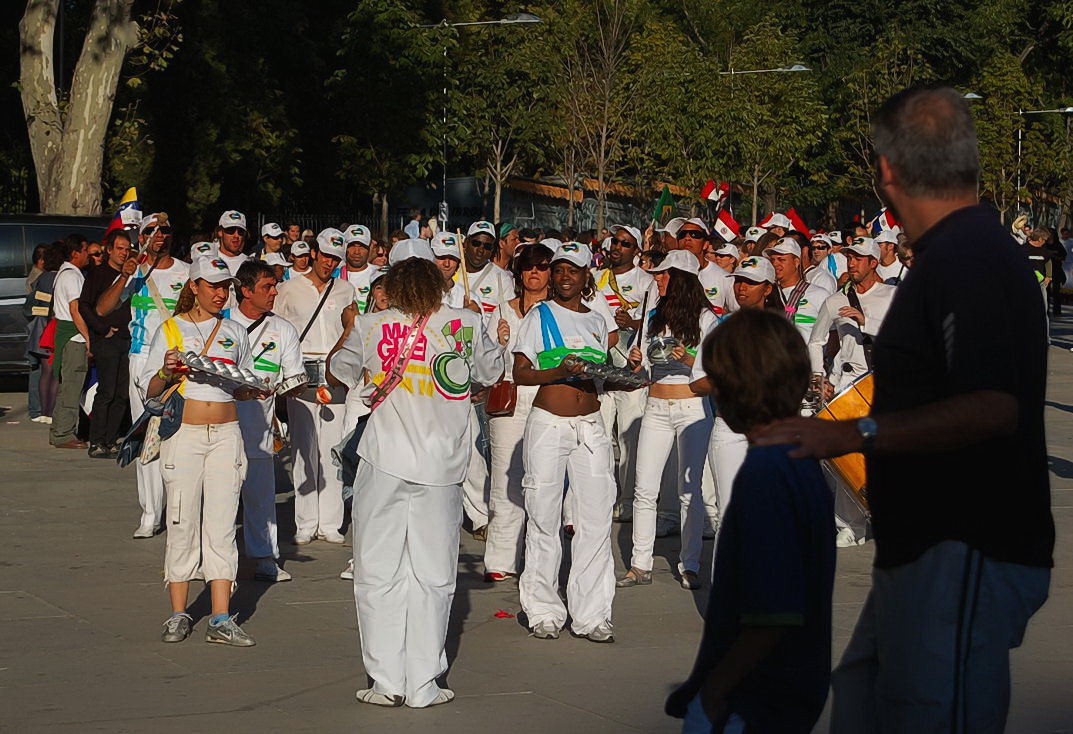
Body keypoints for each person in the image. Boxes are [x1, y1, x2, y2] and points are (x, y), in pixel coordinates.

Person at [756, 86, 1053, 733]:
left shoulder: (969, 258)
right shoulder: (956, 254)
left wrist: (851, 430)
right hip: (926, 551)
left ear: (886, 171)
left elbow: (992, 408)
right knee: (864, 706)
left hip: (963, 548)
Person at [328, 238, 505, 708]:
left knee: (377, 572)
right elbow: (492, 371)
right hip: (442, 465)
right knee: (434, 574)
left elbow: (337, 373)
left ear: (393, 285)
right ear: (437, 283)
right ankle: (424, 682)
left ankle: (385, 682)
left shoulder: (370, 325)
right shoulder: (467, 323)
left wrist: (353, 333)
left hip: (384, 460)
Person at [666, 308, 835, 734]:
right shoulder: (800, 459)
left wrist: (713, 693)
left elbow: (772, 613)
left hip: (756, 699)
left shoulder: (767, 475)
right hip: (793, 686)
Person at [145, 256, 265, 647]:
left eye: (225, 286)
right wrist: (165, 372)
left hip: (227, 433)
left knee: (222, 523)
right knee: (181, 520)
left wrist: (259, 389)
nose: (220, 293)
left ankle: (219, 618)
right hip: (185, 434)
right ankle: (178, 614)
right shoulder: (171, 330)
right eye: (212, 285)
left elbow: (242, 385)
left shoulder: (234, 330)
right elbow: (150, 391)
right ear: (193, 286)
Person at [512, 242, 617, 643]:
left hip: (591, 425)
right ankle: (543, 609)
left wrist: (628, 368)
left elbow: (608, 375)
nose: (565, 277)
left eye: (573, 270)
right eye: (559, 270)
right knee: (543, 515)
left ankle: (592, 615)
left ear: (586, 275)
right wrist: (556, 372)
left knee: (595, 517)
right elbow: (521, 373)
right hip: (549, 424)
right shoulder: (539, 315)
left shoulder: (596, 321)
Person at [618, 250, 718, 592]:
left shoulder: (706, 319)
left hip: (693, 409)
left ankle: (690, 564)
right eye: (657, 274)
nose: (657, 279)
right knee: (645, 488)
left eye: (663, 275)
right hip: (656, 407)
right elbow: (642, 367)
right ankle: (639, 563)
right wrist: (635, 360)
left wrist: (687, 356)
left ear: (681, 279)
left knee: (689, 491)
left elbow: (713, 369)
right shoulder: (653, 315)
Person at [97, 212, 190, 538]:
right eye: (151, 230)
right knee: (145, 435)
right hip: (141, 362)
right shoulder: (133, 273)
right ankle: (151, 513)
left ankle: (180, 508)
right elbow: (103, 309)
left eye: (163, 229)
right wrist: (124, 277)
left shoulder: (186, 273)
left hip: (177, 362)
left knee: (178, 436)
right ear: (141, 236)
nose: (158, 235)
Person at [689, 256, 779, 550]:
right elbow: (698, 382)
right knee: (730, 515)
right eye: (739, 281)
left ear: (767, 288)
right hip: (729, 430)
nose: (741, 288)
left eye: (750, 283)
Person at [274, 228, 357, 545]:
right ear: (313, 253)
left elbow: (353, 330)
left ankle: (331, 522)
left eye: (335, 258)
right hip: (301, 370)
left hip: (335, 373)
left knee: (332, 447)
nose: (329, 263)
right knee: (303, 447)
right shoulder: (288, 289)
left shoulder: (346, 289)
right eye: (325, 256)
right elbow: (277, 329)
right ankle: (305, 521)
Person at [232, 260, 305, 582]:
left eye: (274, 285)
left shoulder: (283, 329)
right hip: (219, 428)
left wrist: (300, 388)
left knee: (261, 500)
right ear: (246, 291)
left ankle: (264, 557)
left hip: (261, 429)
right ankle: (207, 559)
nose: (275, 292)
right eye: (266, 287)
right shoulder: (221, 324)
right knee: (216, 500)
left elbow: (292, 377)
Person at [483, 243, 552, 582]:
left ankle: (539, 558)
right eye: (528, 267)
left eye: (541, 267)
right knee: (505, 479)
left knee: (542, 480)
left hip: (547, 397)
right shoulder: (501, 310)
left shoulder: (556, 311)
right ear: (519, 272)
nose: (534, 273)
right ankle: (500, 558)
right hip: (510, 397)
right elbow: (485, 362)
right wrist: (497, 342)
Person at [596, 224, 654, 522]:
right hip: (600, 376)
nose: (617, 247)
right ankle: (601, 497)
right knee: (600, 440)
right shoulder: (596, 279)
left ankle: (628, 502)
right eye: (614, 241)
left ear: (636, 250)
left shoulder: (647, 282)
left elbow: (654, 323)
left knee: (630, 443)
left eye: (625, 243)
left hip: (632, 374)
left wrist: (631, 324)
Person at [79, 229, 134, 458]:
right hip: (106, 341)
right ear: (109, 250)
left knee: (122, 394)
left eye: (127, 249)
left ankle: (111, 440)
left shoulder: (133, 275)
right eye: (119, 248)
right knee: (106, 391)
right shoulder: (98, 273)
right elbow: (84, 306)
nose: (124, 253)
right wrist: (101, 329)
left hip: (127, 340)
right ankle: (96, 441)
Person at [48, 236, 91, 449]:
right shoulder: (71, 276)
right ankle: (64, 433)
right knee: (72, 387)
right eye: (85, 251)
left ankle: (59, 430)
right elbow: (75, 310)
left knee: (68, 387)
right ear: (75, 253)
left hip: (70, 337)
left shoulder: (65, 274)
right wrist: (88, 337)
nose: (88, 256)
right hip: (74, 338)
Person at [763, 237, 829, 342]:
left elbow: (830, 334)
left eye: (781, 259)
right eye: (772, 260)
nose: (775, 264)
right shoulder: (767, 293)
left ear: (796, 262)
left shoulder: (819, 294)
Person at [25, 243, 63, 424]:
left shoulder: (41, 278)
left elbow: (35, 304)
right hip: (55, 326)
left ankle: (42, 412)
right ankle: (50, 412)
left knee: (44, 372)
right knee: (54, 371)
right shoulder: (62, 277)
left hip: (41, 328)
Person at [338, 225, 375, 311]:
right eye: (352, 246)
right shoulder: (334, 274)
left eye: (362, 246)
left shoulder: (379, 275)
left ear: (370, 248)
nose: (357, 252)